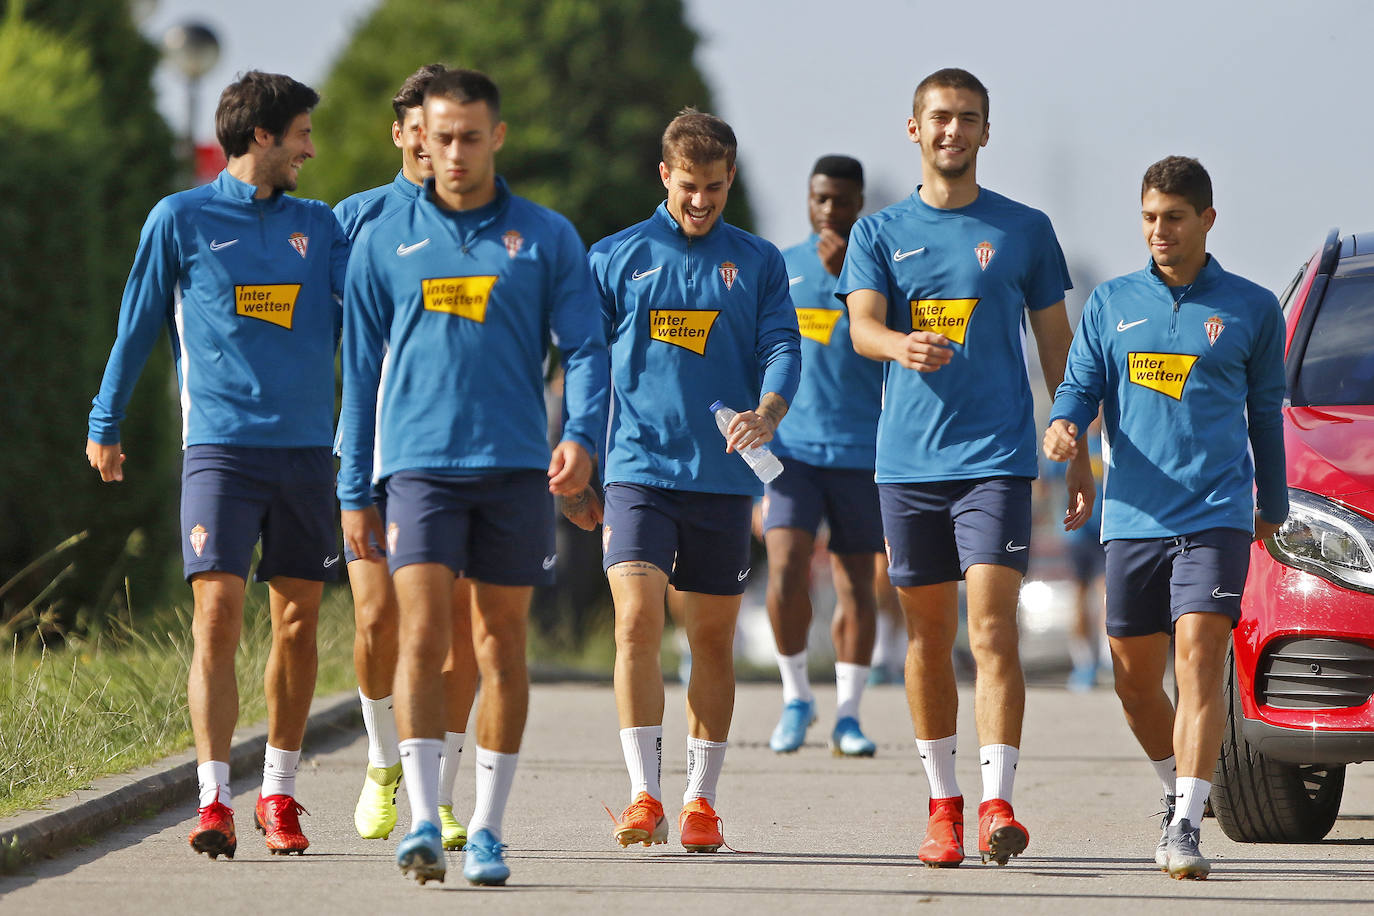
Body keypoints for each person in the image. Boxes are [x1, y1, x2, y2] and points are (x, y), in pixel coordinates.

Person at [338, 68, 607, 886]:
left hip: (517, 469)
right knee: (420, 636)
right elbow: (357, 369)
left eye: (470, 137)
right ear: (419, 135)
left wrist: (585, 438)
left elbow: (587, 348)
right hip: (417, 470)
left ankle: (485, 827)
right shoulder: (382, 238)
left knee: (498, 645)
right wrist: (355, 485)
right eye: (441, 137)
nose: (454, 153)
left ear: (497, 137)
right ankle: (422, 818)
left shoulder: (547, 236)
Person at [86, 72, 348, 859]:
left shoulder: (321, 224)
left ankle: (277, 793)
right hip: (221, 453)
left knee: (297, 626)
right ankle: (212, 801)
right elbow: (136, 324)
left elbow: (367, 323)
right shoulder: (180, 218)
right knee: (216, 619)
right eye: (301, 132)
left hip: (307, 454)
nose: (310, 147)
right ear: (261, 135)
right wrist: (106, 419)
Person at [840, 67, 1088, 868]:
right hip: (907, 463)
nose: (953, 131)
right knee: (927, 636)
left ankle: (996, 803)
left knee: (991, 631)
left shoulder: (1024, 230)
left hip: (998, 461)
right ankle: (942, 805)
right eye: (940, 118)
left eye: (968, 119)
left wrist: (1073, 444)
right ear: (914, 129)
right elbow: (862, 329)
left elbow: (1059, 350)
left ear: (987, 132)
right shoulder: (879, 234)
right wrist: (900, 345)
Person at [1044, 155, 1287, 880]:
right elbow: (1079, 388)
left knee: (1199, 663)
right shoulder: (1112, 303)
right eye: (1149, 217)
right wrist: (1064, 430)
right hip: (1133, 518)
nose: (1159, 230)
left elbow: (1267, 415)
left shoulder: (1249, 307)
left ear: (1207, 220)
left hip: (1215, 513)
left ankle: (1184, 824)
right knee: (1131, 678)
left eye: (1174, 218)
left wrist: (1269, 507)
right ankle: (1179, 789)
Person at [590, 109, 801, 854]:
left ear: (730, 179)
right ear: (664, 177)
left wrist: (768, 409)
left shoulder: (759, 260)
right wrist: (578, 453)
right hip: (637, 471)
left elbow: (782, 345)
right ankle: (644, 795)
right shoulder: (615, 256)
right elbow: (585, 366)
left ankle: (700, 800)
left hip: (721, 479)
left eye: (714, 187)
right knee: (636, 620)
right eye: (688, 187)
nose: (701, 201)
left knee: (709, 640)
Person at [332, 63, 477, 853]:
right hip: (372, 449)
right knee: (377, 616)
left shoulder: (487, 221)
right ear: (401, 134)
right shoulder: (351, 221)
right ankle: (384, 762)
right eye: (420, 130)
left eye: (447, 131)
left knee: (454, 628)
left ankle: (442, 794)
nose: (434, 145)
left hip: (461, 456)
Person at [763, 155, 885, 757]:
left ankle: (848, 714)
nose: (831, 211)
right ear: (808, 201)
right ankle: (795, 696)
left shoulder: (877, 268)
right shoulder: (780, 267)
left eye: (842, 200)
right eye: (821, 200)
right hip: (791, 453)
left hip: (862, 452)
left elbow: (897, 345)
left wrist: (851, 283)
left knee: (857, 586)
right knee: (784, 570)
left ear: (859, 202)